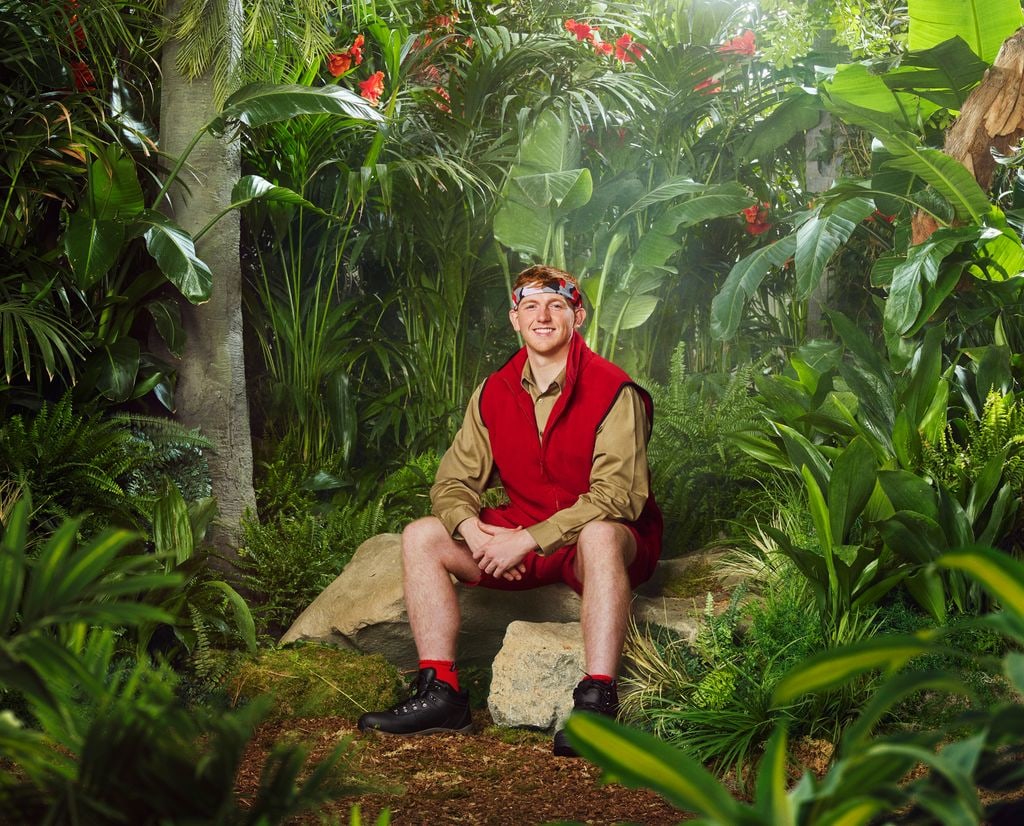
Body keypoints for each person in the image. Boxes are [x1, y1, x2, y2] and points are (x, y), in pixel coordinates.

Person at [358, 264, 662, 757]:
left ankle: (598, 703)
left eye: (557, 305)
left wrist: (528, 539)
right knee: (422, 535)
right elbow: (453, 481)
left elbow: (619, 498)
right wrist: (474, 533)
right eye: (531, 307)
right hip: (529, 534)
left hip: (602, 541)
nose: (543, 316)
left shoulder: (614, 389)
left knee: (601, 534)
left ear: (577, 316)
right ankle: (442, 692)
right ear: (514, 319)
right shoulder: (494, 391)